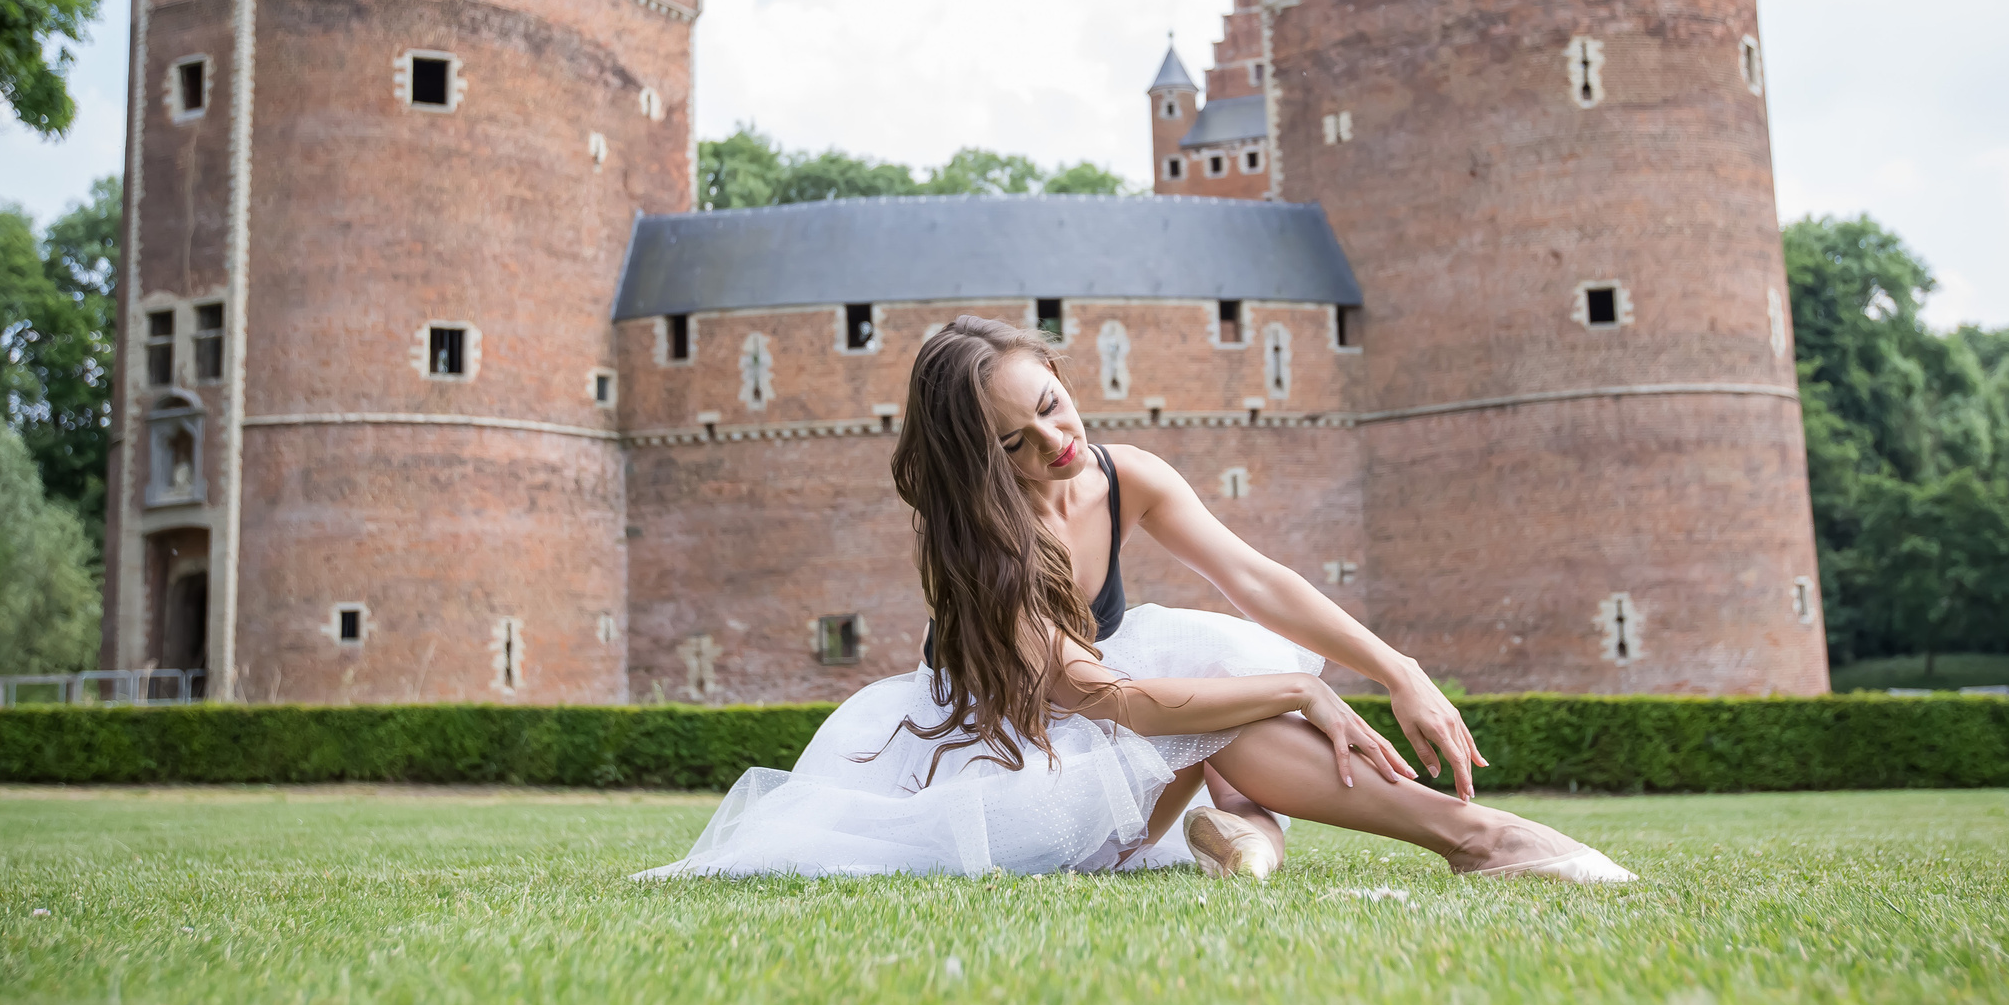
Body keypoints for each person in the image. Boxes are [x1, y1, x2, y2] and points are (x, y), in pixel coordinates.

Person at [636, 315, 1633, 885]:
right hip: (1003, 748)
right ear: (971, 459)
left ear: (1063, 375)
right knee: (1221, 708)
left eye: (1051, 408)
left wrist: (1398, 671)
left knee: (1221, 679)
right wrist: (1300, 690)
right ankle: (1472, 839)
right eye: (1012, 444)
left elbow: (1257, 580)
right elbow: (1110, 700)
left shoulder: (1126, 474)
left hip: (1118, 700)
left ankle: (1249, 829)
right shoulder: (985, 548)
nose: (1054, 445)